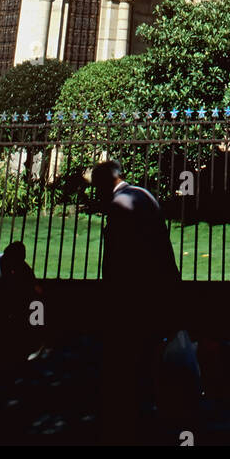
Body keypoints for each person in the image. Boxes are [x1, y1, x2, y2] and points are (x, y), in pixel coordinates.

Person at [85, 159, 182, 443]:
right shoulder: (144, 195)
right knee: (150, 356)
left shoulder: (120, 205)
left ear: (106, 183)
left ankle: (133, 423)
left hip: (134, 299)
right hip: (159, 291)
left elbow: (118, 262)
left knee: (130, 362)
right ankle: (150, 411)